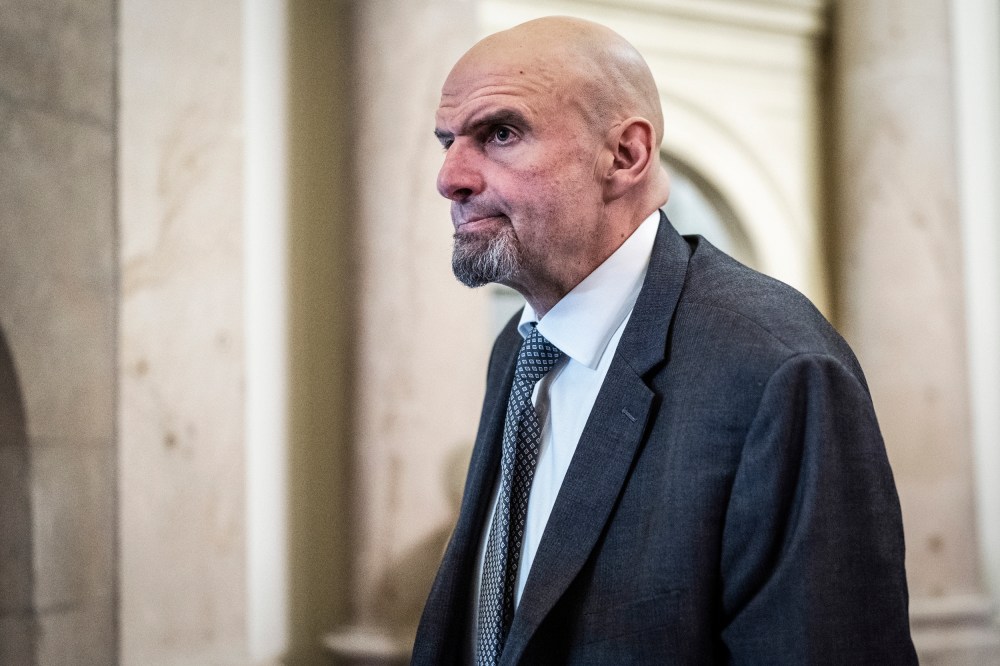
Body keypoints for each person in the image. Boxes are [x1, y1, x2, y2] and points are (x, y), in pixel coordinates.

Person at [413, 16, 916, 665]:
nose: (449, 176)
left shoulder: (779, 371)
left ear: (624, 156)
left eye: (500, 133)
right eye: (448, 141)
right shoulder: (519, 346)